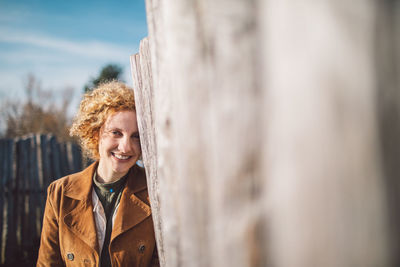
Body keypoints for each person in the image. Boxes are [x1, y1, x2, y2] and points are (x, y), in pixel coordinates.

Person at [37, 81, 159, 266]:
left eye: (136, 136)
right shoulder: (59, 193)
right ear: (95, 134)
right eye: (116, 133)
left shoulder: (156, 192)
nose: (126, 147)